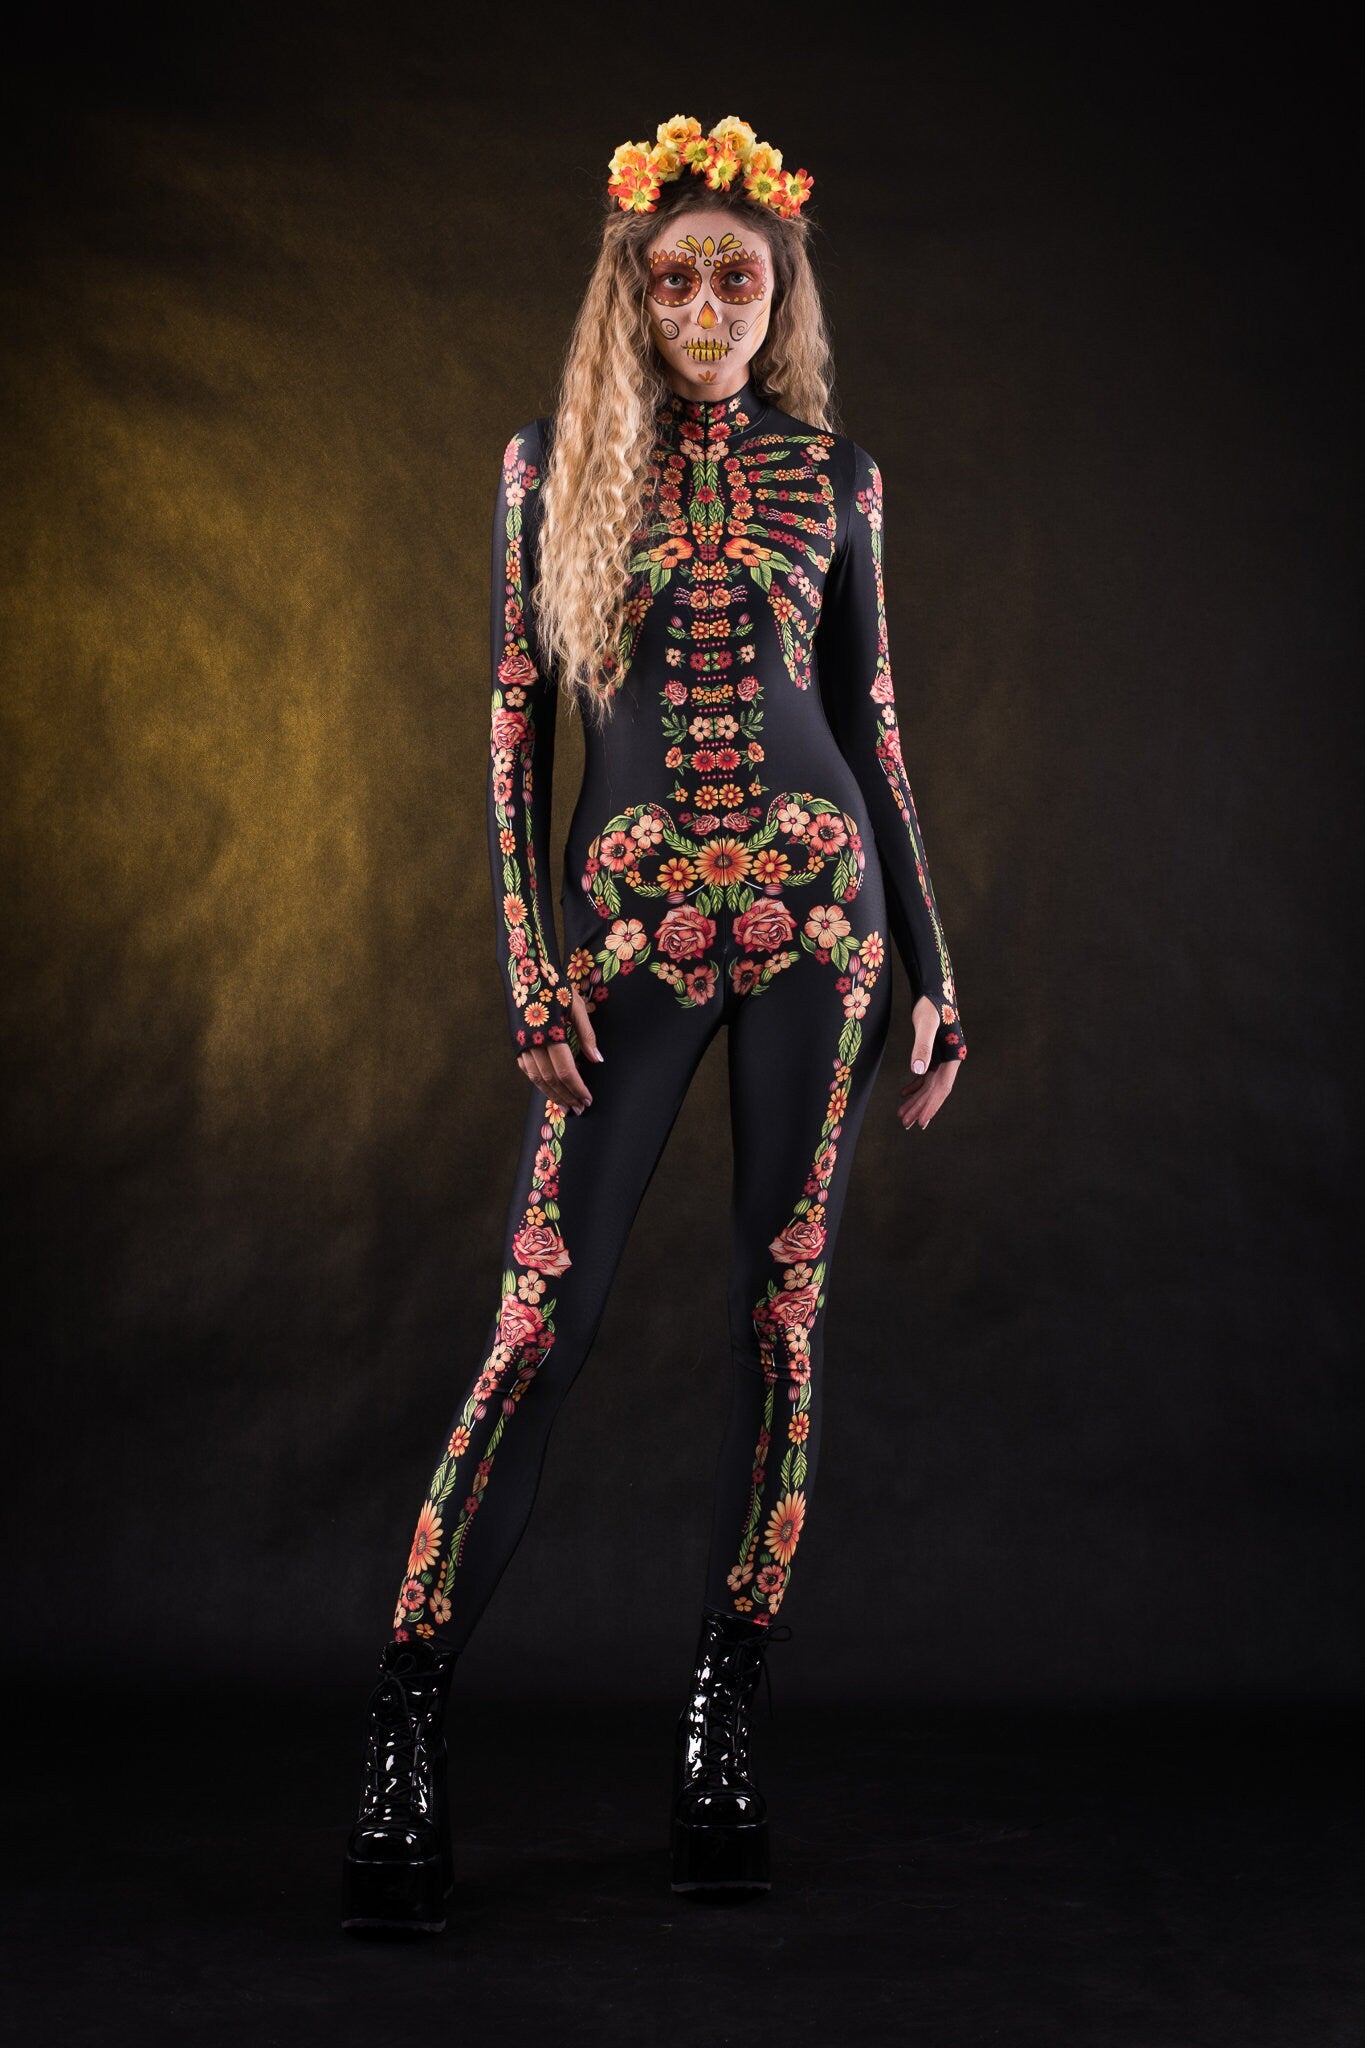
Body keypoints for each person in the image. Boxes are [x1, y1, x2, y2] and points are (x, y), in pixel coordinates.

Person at [342, 112, 967, 1933]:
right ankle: (402, 1726)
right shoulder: (551, 470)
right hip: (621, 932)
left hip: (816, 919)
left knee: (781, 1314)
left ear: (780, 298)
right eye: (676, 276)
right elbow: (512, 728)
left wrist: (935, 966)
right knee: (545, 1317)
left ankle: (722, 1723)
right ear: (634, 290)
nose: (707, 306)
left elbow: (875, 726)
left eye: (739, 278)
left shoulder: (837, 477)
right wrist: (527, 960)